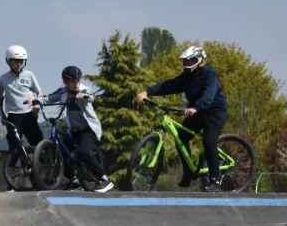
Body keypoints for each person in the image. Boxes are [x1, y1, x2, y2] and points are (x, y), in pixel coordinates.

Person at [135, 44, 228, 192]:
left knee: (209, 141)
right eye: (185, 61)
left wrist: (196, 107)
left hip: (214, 112)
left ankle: (215, 180)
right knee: (181, 138)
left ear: (198, 60)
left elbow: (209, 94)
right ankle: (189, 173)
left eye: (189, 61)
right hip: (197, 112)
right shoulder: (187, 77)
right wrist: (148, 91)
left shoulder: (209, 73)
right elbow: (169, 85)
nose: (186, 64)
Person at [34, 66, 114, 193]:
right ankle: (75, 181)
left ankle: (104, 180)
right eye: (73, 81)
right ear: (66, 82)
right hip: (75, 131)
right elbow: (48, 98)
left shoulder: (83, 90)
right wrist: (34, 99)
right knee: (61, 153)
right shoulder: (62, 92)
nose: (76, 84)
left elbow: (90, 96)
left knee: (83, 151)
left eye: (78, 80)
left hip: (89, 130)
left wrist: (84, 96)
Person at [0, 45, 44, 156]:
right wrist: (2, 114)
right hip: (13, 115)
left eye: (21, 62)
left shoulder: (29, 75)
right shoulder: (3, 78)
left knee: (38, 141)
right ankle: (13, 168)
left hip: (29, 114)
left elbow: (39, 93)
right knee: (13, 144)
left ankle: (42, 165)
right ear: (8, 61)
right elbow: (0, 96)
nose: (18, 65)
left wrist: (37, 105)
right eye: (15, 62)